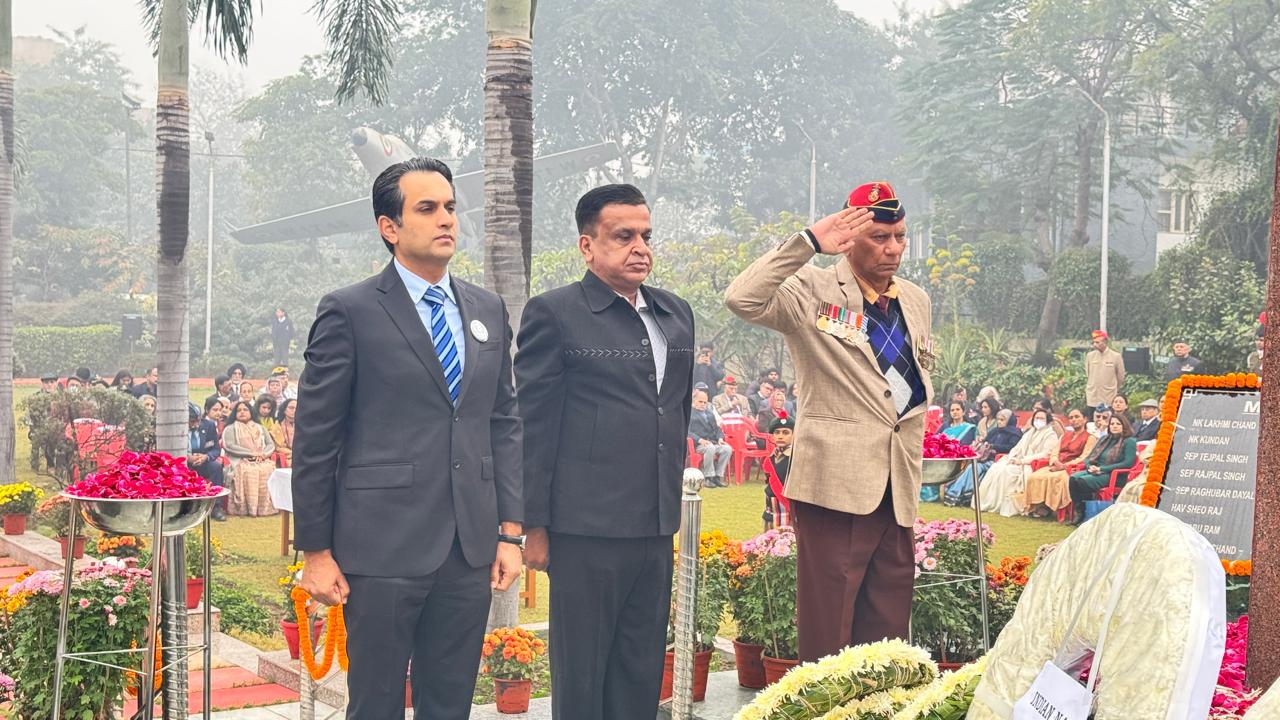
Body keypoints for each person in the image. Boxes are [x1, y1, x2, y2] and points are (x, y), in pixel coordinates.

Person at [292, 157, 522, 720]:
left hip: (468, 548)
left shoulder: (486, 309)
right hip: (383, 547)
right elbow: (316, 439)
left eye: (450, 207)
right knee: (376, 706)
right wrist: (316, 552)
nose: (446, 219)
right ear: (388, 227)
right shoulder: (349, 311)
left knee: (449, 704)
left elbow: (504, 421)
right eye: (427, 208)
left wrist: (510, 531)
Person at [725, 181, 932, 661]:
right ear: (849, 237)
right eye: (880, 238)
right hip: (835, 484)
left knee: (888, 632)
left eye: (900, 236)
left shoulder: (916, 300)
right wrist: (808, 243)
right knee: (828, 628)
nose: (894, 249)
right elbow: (742, 298)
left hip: (897, 485)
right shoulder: (812, 288)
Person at [515, 183, 694, 720]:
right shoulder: (555, 314)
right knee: (583, 673)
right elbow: (534, 424)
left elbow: (676, 410)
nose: (640, 247)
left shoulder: (675, 314)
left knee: (640, 668)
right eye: (623, 236)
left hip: (655, 525)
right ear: (587, 246)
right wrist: (535, 524)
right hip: (584, 529)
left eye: (646, 235)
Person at [975, 408, 1058, 517]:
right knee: (997, 468)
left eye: (1042, 418)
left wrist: (1022, 461)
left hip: (1031, 464)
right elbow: (1017, 448)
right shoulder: (1029, 433)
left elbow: (1045, 454)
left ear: (1047, 420)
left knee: (1008, 472)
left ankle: (1008, 504)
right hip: (1018, 460)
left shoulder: (1050, 435)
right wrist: (1011, 458)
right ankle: (990, 502)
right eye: (1036, 418)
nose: (1038, 420)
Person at [1022, 408, 1098, 517]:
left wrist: (1064, 466)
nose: (1073, 420)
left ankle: (1050, 508)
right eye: (1071, 418)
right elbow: (1054, 451)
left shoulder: (1090, 438)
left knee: (1057, 479)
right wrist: (1055, 461)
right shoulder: (1065, 435)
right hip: (1056, 465)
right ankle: (1039, 506)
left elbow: (1084, 457)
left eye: (1077, 417)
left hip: (1072, 468)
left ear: (1085, 419)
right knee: (1034, 477)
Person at [1068, 414, 1138, 524]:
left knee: (1082, 481)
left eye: (1118, 424)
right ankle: (1080, 511)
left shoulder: (1129, 441)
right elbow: (1089, 458)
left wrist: (1102, 468)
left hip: (1114, 475)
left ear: (1124, 426)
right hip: (1096, 471)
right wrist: (1089, 466)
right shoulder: (1104, 439)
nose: (1114, 426)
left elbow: (1127, 463)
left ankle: (1088, 514)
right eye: (1112, 424)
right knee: (1073, 478)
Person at [943, 408, 1021, 506]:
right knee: (970, 468)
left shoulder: (1015, 434)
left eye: (1002, 420)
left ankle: (959, 495)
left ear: (1009, 421)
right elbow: (985, 442)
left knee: (974, 468)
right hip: (985, 459)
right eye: (998, 419)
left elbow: (1012, 448)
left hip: (1000, 461)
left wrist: (993, 447)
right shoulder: (995, 431)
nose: (999, 422)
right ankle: (959, 495)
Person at [221, 401, 277, 517]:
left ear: (251, 412)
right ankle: (248, 509)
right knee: (250, 471)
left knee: (268, 469)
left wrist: (263, 454)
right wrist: (250, 454)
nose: (242, 412)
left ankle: (264, 509)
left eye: (245, 410)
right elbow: (229, 446)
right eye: (239, 410)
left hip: (261, 459)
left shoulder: (260, 428)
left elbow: (270, 444)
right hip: (239, 460)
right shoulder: (230, 429)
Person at [922, 401, 975, 503]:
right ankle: (929, 495)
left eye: (958, 409)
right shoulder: (945, 426)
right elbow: (935, 440)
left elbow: (966, 445)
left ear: (963, 412)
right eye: (952, 410)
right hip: (941, 456)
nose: (955, 412)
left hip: (957, 458)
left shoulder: (970, 428)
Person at [188, 399, 227, 521]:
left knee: (216, 467)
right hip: (185, 462)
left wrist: (206, 457)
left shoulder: (208, 425)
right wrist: (187, 457)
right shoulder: (176, 428)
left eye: (198, 421)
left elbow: (216, 449)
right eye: (192, 422)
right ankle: (187, 507)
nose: (196, 425)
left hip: (203, 461)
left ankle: (215, 507)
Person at [688, 389, 731, 488]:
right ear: (693, 400)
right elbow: (687, 431)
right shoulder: (689, 414)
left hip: (712, 442)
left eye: (705, 402)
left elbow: (717, 428)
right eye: (700, 401)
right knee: (710, 447)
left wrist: (720, 438)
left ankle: (717, 476)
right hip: (698, 445)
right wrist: (700, 440)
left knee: (727, 449)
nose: (703, 404)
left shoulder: (709, 414)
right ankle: (708, 477)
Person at [762, 411, 795, 528]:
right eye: (777, 432)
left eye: (786, 433)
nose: (780, 436)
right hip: (771, 510)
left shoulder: (797, 458)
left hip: (790, 513)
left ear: (794, 435)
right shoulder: (769, 459)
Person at [1084, 330, 1125, 407]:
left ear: (1105, 342)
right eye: (1094, 342)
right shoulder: (1090, 356)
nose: (1095, 345)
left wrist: (1113, 387)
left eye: (1098, 342)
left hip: (1108, 397)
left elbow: (1120, 376)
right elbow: (1088, 374)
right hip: (1093, 397)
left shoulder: (1116, 356)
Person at [270, 398, 297, 466]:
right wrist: (295, 454)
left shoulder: (305, 425)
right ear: (284, 410)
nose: (294, 410)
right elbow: (278, 448)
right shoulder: (276, 427)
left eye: (297, 408)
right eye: (291, 408)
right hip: (286, 458)